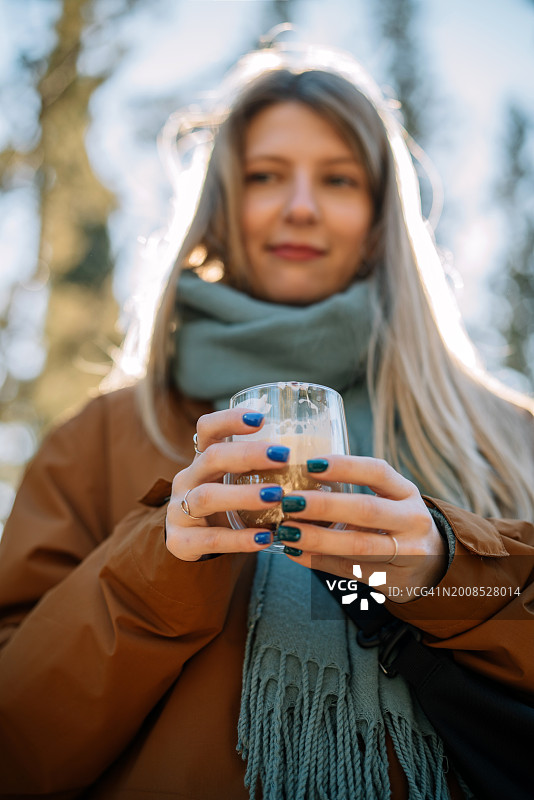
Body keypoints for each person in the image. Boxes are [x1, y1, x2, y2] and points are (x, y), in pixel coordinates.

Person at [0, 37, 533, 800]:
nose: (301, 207)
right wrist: (157, 567)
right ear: (221, 208)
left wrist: (445, 574)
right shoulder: (99, 440)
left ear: (380, 217)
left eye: (339, 179)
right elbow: (16, 747)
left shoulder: (509, 435)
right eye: (264, 176)